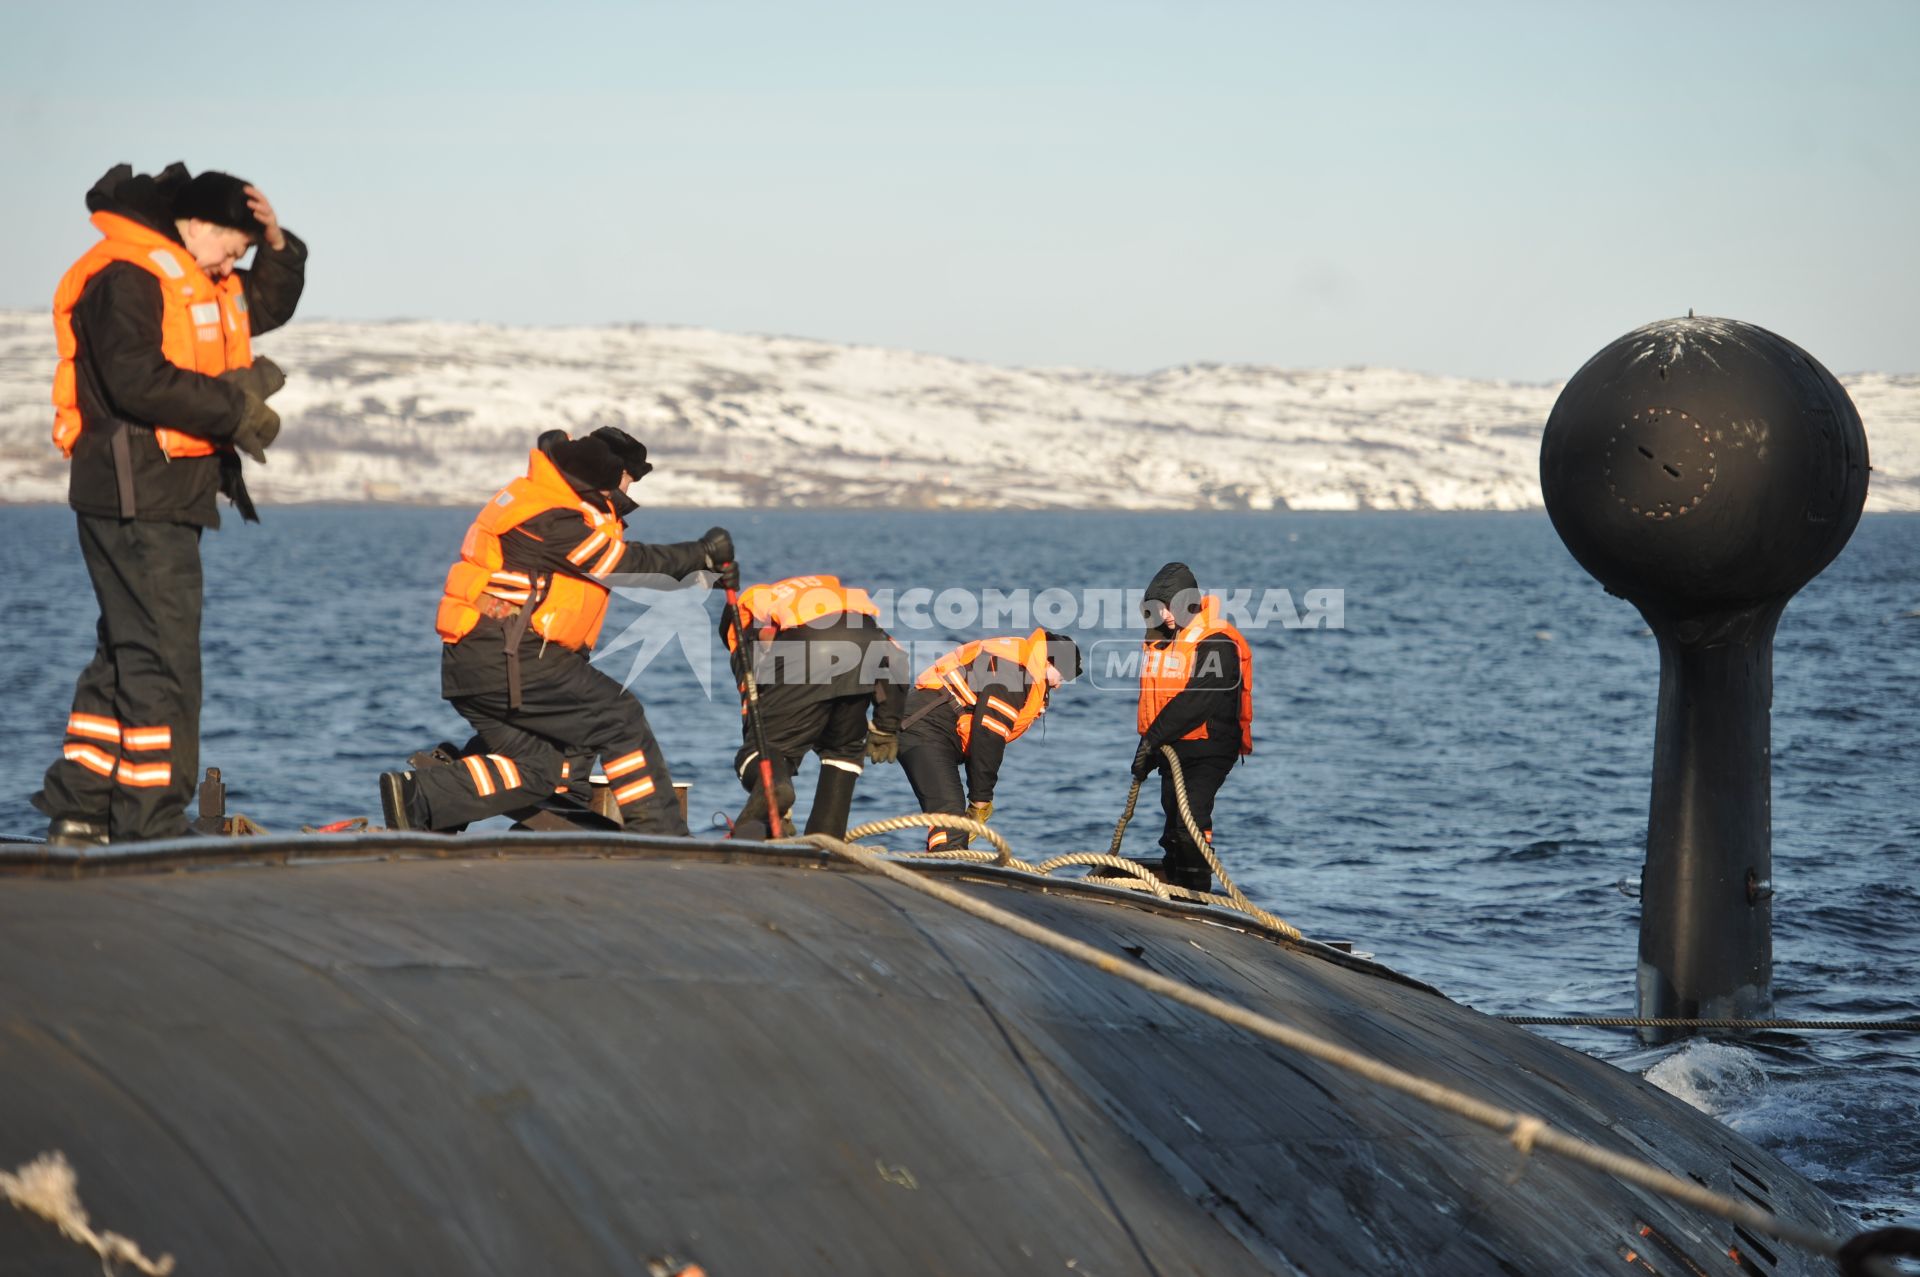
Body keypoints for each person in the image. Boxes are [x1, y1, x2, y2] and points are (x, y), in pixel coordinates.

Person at [32, 163, 306, 847]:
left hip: (164, 493)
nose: (235, 264)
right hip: (135, 490)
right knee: (163, 656)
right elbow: (137, 381)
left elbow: (264, 304)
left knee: (125, 652)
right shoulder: (128, 276)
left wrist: (277, 244)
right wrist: (235, 407)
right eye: (235, 247)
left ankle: (83, 803)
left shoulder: (198, 278)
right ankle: (152, 820)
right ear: (200, 226)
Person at [378, 428, 734, 836]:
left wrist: (703, 573)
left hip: (487, 659)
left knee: (542, 769)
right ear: (608, 475)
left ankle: (425, 796)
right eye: (629, 480)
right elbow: (622, 563)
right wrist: (702, 553)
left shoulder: (547, 500)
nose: (630, 491)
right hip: (509, 655)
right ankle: (662, 835)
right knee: (619, 718)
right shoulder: (547, 516)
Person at [720, 574, 909, 840]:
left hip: (807, 650)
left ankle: (773, 794)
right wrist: (886, 726)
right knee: (843, 750)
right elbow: (896, 657)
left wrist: (774, 786)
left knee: (761, 749)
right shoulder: (838, 602)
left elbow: (754, 708)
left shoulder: (746, 623)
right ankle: (823, 844)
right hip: (866, 648)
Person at [897, 628, 1079, 851]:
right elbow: (988, 736)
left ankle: (945, 862)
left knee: (951, 812)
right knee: (950, 812)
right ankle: (944, 870)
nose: (1058, 685)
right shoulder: (1015, 673)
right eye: (1061, 677)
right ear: (1050, 663)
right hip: (924, 727)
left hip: (930, 726)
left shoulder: (1018, 664)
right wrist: (980, 800)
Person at [1131, 562, 1253, 893]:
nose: (1164, 615)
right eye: (1158, 608)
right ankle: (1176, 885)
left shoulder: (1217, 641)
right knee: (1172, 827)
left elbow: (1197, 700)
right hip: (1173, 748)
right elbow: (1157, 701)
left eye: (1169, 607)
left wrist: (1152, 740)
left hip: (1208, 749)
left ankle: (1198, 895)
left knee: (1190, 822)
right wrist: (1150, 747)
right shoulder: (1163, 638)